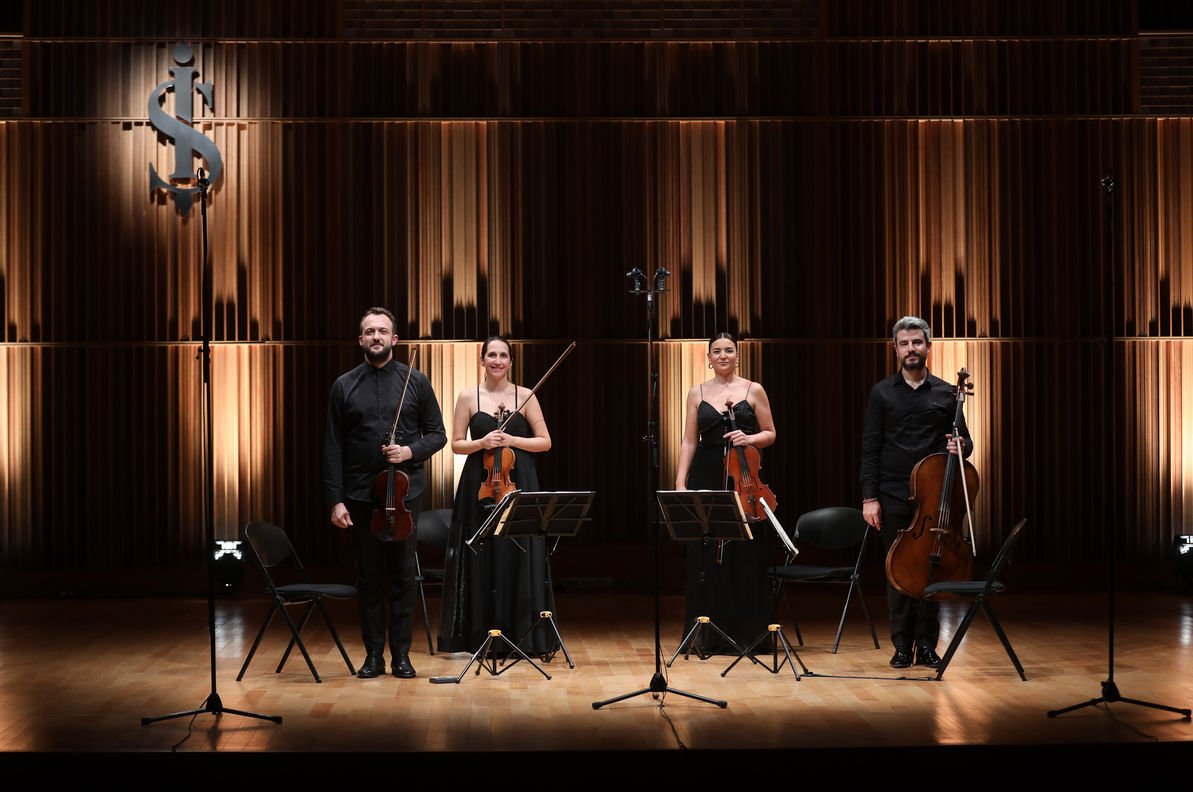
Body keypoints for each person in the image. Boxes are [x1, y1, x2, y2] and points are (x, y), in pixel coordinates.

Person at [323, 307, 447, 679]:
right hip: (361, 496)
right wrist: (335, 499)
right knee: (368, 579)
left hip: (405, 495)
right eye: (369, 331)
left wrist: (409, 451)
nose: (375, 337)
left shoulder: (416, 381)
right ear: (360, 339)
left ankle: (402, 657)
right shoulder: (343, 385)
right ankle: (373, 656)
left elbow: (437, 434)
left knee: (403, 576)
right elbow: (333, 447)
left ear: (394, 339)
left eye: (382, 331)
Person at [861, 315, 972, 669]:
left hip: (934, 496)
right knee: (898, 570)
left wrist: (961, 446)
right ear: (896, 349)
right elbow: (870, 448)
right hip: (892, 493)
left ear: (928, 347)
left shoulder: (947, 393)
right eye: (905, 343)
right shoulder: (881, 393)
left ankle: (926, 645)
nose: (911, 348)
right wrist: (869, 498)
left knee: (931, 571)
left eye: (917, 342)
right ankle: (901, 645)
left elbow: (966, 442)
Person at [438, 336, 554, 654]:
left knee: (519, 552)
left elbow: (545, 442)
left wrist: (512, 440)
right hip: (480, 485)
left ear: (511, 361)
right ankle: (480, 635)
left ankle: (523, 636)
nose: (497, 360)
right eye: (492, 355)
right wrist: (482, 443)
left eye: (503, 355)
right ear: (482, 360)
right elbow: (456, 444)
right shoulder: (468, 396)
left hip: (519, 482)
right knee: (483, 555)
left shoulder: (526, 395)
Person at [674, 332, 777, 650]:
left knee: (745, 554)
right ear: (708, 358)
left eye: (729, 350)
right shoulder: (696, 392)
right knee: (706, 555)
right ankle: (708, 636)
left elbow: (770, 433)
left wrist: (749, 438)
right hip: (705, 473)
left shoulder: (753, 389)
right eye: (716, 351)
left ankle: (747, 636)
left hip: (744, 476)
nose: (723, 355)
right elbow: (689, 441)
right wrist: (680, 483)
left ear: (737, 356)